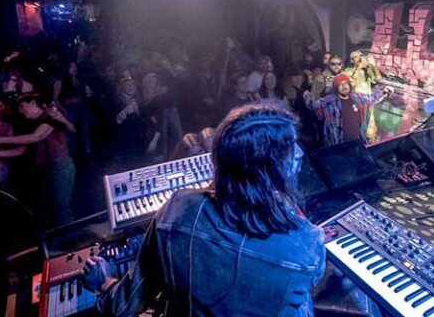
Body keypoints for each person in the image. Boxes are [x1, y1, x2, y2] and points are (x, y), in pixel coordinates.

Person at [83, 103, 326, 316]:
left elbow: (125, 304)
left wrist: (104, 283)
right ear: (267, 171)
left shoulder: (176, 210)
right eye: (290, 150)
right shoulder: (307, 241)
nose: (300, 154)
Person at [0, 93, 77, 227]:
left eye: (22, 106)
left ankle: (71, 241)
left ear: (33, 104)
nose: (20, 111)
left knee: (61, 209)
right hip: (47, 170)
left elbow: (36, 137)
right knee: (49, 209)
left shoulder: (51, 117)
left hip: (60, 167)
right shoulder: (34, 124)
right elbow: (19, 150)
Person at [304, 73, 391, 147]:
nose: (344, 86)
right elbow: (313, 105)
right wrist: (306, 96)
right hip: (337, 146)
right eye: (340, 84)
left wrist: (383, 92)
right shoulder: (329, 101)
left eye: (346, 83)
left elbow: (371, 98)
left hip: (356, 143)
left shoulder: (357, 98)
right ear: (336, 87)